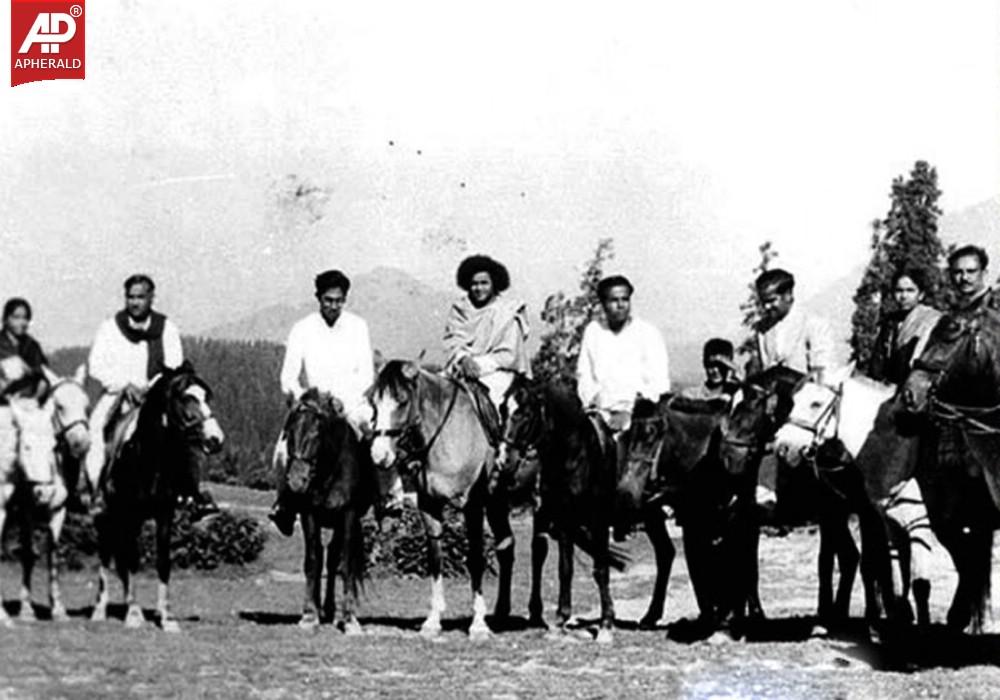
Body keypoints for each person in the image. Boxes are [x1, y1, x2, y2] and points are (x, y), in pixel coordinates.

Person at [269, 269, 384, 536]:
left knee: (375, 438)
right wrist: (304, 399)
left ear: (345, 299)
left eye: (339, 300)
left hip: (350, 402)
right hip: (313, 406)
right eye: (328, 300)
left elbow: (366, 373)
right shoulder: (302, 329)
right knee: (283, 450)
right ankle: (284, 505)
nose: (333, 305)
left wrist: (344, 399)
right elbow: (289, 375)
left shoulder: (358, 326)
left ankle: (386, 500)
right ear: (318, 298)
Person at [85, 275, 186, 508]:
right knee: (96, 430)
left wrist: (151, 388)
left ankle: (188, 493)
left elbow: (174, 364)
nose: (135, 303)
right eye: (130, 297)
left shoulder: (166, 328)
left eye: (140, 297)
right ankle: (93, 488)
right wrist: (124, 384)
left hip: (155, 395)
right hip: (117, 393)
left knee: (185, 434)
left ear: (151, 298)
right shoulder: (110, 328)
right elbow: (96, 365)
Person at [443, 255, 531, 431]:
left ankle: (498, 449)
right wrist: (463, 359)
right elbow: (453, 340)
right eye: (474, 284)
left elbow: (509, 354)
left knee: (495, 405)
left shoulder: (508, 311)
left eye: (484, 283)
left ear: (494, 284)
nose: (478, 288)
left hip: (499, 374)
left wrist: (477, 365)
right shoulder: (460, 309)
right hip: (461, 368)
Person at [577, 274, 670, 433]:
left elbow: (659, 383)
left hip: (639, 417)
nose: (621, 305)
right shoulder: (594, 331)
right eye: (614, 300)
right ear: (603, 304)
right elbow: (584, 375)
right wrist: (593, 405)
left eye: (625, 299)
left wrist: (629, 411)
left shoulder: (648, 333)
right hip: (599, 415)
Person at [750, 268, 837, 383]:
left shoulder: (813, 323)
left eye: (771, 301)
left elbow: (822, 374)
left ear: (788, 295)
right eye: (763, 302)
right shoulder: (763, 328)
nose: (766, 307)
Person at [868, 268, 941, 385]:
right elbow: (877, 361)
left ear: (921, 295)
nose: (903, 296)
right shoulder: (890, 322)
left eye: (910, 291)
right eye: (899, 291)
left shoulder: (930, 321)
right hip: (887, 389)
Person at [0, 298, 50, 399]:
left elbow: (43, 376)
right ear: (5, 319)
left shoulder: (33, 346)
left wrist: (28, 370)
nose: (22, 322)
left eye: (25, 318)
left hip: (29, 401)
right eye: (16, 317)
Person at [680, 338, 740, 402]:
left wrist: (739, 377)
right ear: (704, 364)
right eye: (711, 365)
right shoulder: (691, 395)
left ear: (729, 366)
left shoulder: (736, 394)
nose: (716, 370)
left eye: (721, 366)